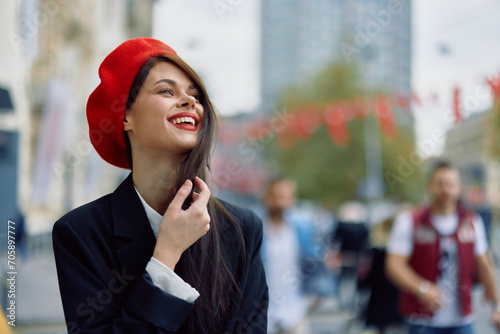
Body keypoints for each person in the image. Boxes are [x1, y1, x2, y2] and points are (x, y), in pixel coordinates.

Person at [52, 38, 268, 334]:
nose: (190, 102)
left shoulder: (243, 230)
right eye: (166, 90)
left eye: (195, 95)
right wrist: (166, 255)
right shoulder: (81, 233)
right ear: (125, 115)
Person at [385, 161, 500, 334]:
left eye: (450, 184)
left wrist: (496, 306)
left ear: (459, 188)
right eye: (439, 183)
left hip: (462, 320)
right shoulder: (409, 221)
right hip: (421, 321)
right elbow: (394, 265)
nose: (445, 189)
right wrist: (422, 288)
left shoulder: (472, 222)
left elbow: (483, 265)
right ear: (429, 186)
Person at [259, 178, 316, 334]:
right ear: (267, 197)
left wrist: (318, 292)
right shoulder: (255, 226)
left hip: (295, 310)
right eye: (277, 196)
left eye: (286, 197)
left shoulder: (301, 228)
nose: (281, 202)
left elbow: (313, 259)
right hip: (262, 312)